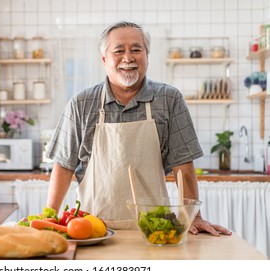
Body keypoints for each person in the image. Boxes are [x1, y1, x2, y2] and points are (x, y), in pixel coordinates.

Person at [46, 21, 231, 236]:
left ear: (147, 57)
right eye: (119, 51)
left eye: (136, 49)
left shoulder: (169, 100)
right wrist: (50, 216)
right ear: (104, 60)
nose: (128, 57)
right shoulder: (81, 104)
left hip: (154, 230)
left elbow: (184, 164)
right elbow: (64, 166)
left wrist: (192, 216)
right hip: (93, 230)